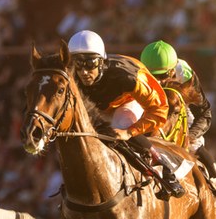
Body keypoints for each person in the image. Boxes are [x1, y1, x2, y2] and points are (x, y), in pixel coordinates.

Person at [67, 30, 185, 199]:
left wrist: (129, 132)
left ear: (101, 61)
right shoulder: (71, 75)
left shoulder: (127, 76)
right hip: (99, 107)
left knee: (118, 126)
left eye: (90, 64)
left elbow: (159, 109)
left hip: (128, 102)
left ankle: (165, 167)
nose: (84, 72)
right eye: (78, 64)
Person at [140, 40, 216, 216]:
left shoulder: (185, 74)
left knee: (195, 146)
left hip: (180, 108)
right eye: (153, 76)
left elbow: (205, 113)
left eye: (163, 75)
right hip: (151, 111)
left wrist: (190, 135)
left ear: (173, 71)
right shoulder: (138, 74)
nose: (158, 81)